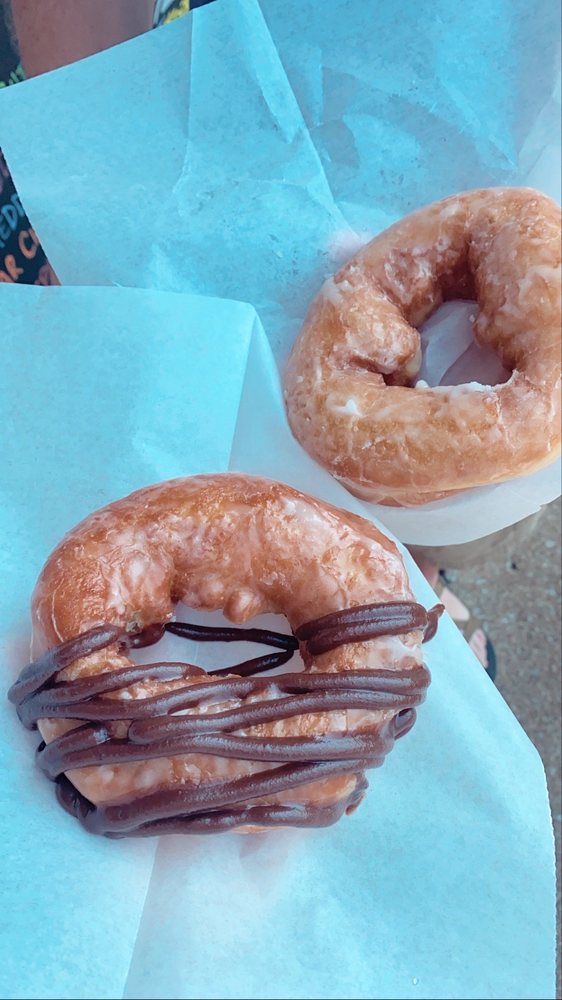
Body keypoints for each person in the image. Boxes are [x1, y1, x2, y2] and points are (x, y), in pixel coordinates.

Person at [0, 0, 497, 676]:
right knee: (158, 382)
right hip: (153, 93)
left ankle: (407, 565)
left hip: (451, 94)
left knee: (461, 467)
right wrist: (101, 185)